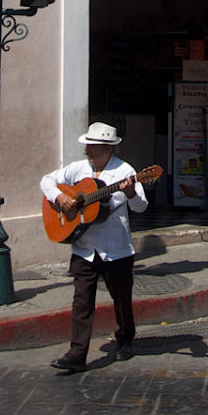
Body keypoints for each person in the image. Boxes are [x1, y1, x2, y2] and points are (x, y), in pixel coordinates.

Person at [40, 120, 148, 373]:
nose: (86, 151)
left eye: (92, 147)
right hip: (84, 247)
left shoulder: (125, 172)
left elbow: (141, 206)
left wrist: (131, 193)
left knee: (121, 298)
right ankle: (77, 354)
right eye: (87, 145)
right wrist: (61, 197)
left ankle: (125, 338)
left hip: (116, 248)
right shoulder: (78, 169)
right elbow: (47, 181)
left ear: (108, 149)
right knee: (81, 302)